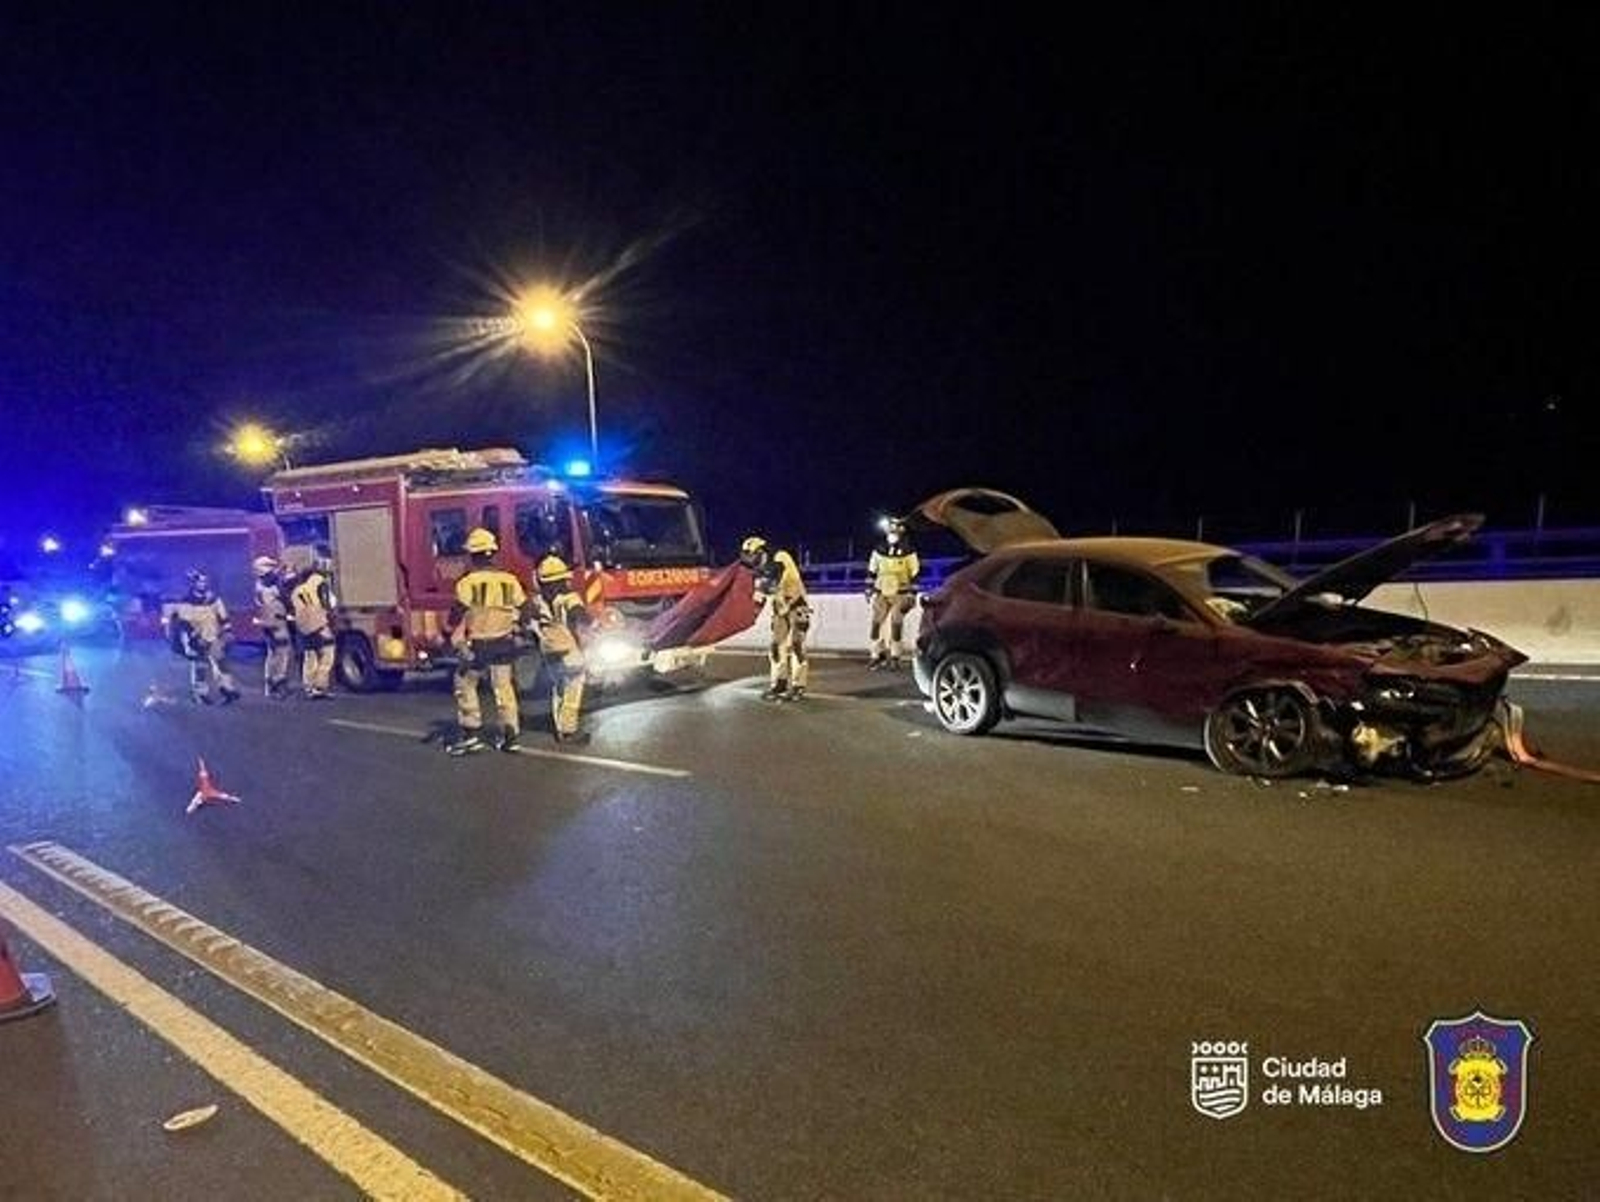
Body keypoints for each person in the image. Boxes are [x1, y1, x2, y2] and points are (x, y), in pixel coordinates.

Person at [443, 528, 530, 755]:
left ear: (473, 556)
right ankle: (511, 736)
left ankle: (471, 734)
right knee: (504, 688)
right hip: (504, 642)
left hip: (478, 644)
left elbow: (457, 613)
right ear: (493, 553)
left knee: (464, 683)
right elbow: (525, 608)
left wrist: (450, 631)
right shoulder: (510, 580)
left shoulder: (468, 583)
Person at [738, 535, 810, 700]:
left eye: (751, 555)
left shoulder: (780, 557)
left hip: (798, 605)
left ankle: (799, 685)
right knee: (776, 647)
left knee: (797, 646)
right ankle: (779, 683)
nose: (750, 559)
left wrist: (762, 587)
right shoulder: (760, 569)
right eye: (747, 556)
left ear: (760, 551)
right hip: (780, 609)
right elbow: (760, 594)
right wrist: (752, 611)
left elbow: (774, 577)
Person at [532, 554, 592, 745]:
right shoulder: (569, 598)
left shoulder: (537, 601)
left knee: (558, 689)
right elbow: (581, 616)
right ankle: (568, 731)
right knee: (573, 688)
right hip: (569, 649)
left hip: (549, 650)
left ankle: (559, 728)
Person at [166, 569, 242, 705]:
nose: (203, 584)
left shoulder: (213, 598)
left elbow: (223, 616)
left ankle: (227, 689)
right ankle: (200, 694)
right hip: (195, 638)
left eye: (204, 581)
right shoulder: (186, 601)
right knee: (200, 666)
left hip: (213, 636)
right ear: (193, 583)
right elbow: (184, 623)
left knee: (221, 662)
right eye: (200, 581)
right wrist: (194, 638)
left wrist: (227, 631)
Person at [866, 517, 921, 669]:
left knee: (896, 622)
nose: (892, 533)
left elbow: (915, 572)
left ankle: (895, 656)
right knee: (877, 623)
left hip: (901, 592)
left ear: (901, 531)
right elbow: (872, 569)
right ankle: (877, 655)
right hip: (882, 591)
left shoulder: (908, 550)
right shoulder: (879, 549)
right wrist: (869, 589)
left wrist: (912, 593)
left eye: (895, 530)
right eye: (890, 530)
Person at [290, 556, 337, 700]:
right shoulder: (319, 582)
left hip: (303, 627)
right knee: (327, 655)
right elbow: (330, 603)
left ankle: (309, 687)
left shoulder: (297, 590)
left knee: (310, 657)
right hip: (319, 624)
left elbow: (294, 609)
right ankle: (320, 687)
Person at [252, 556, 294, 697]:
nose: (273, 570)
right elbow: (284, 595)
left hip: (269, 623)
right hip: (276, 623)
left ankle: (271, 685)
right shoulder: (268, 585)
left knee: (273, 653)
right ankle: (277, 683)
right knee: (281, 653)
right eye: (270, 567)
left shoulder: (261, 584)